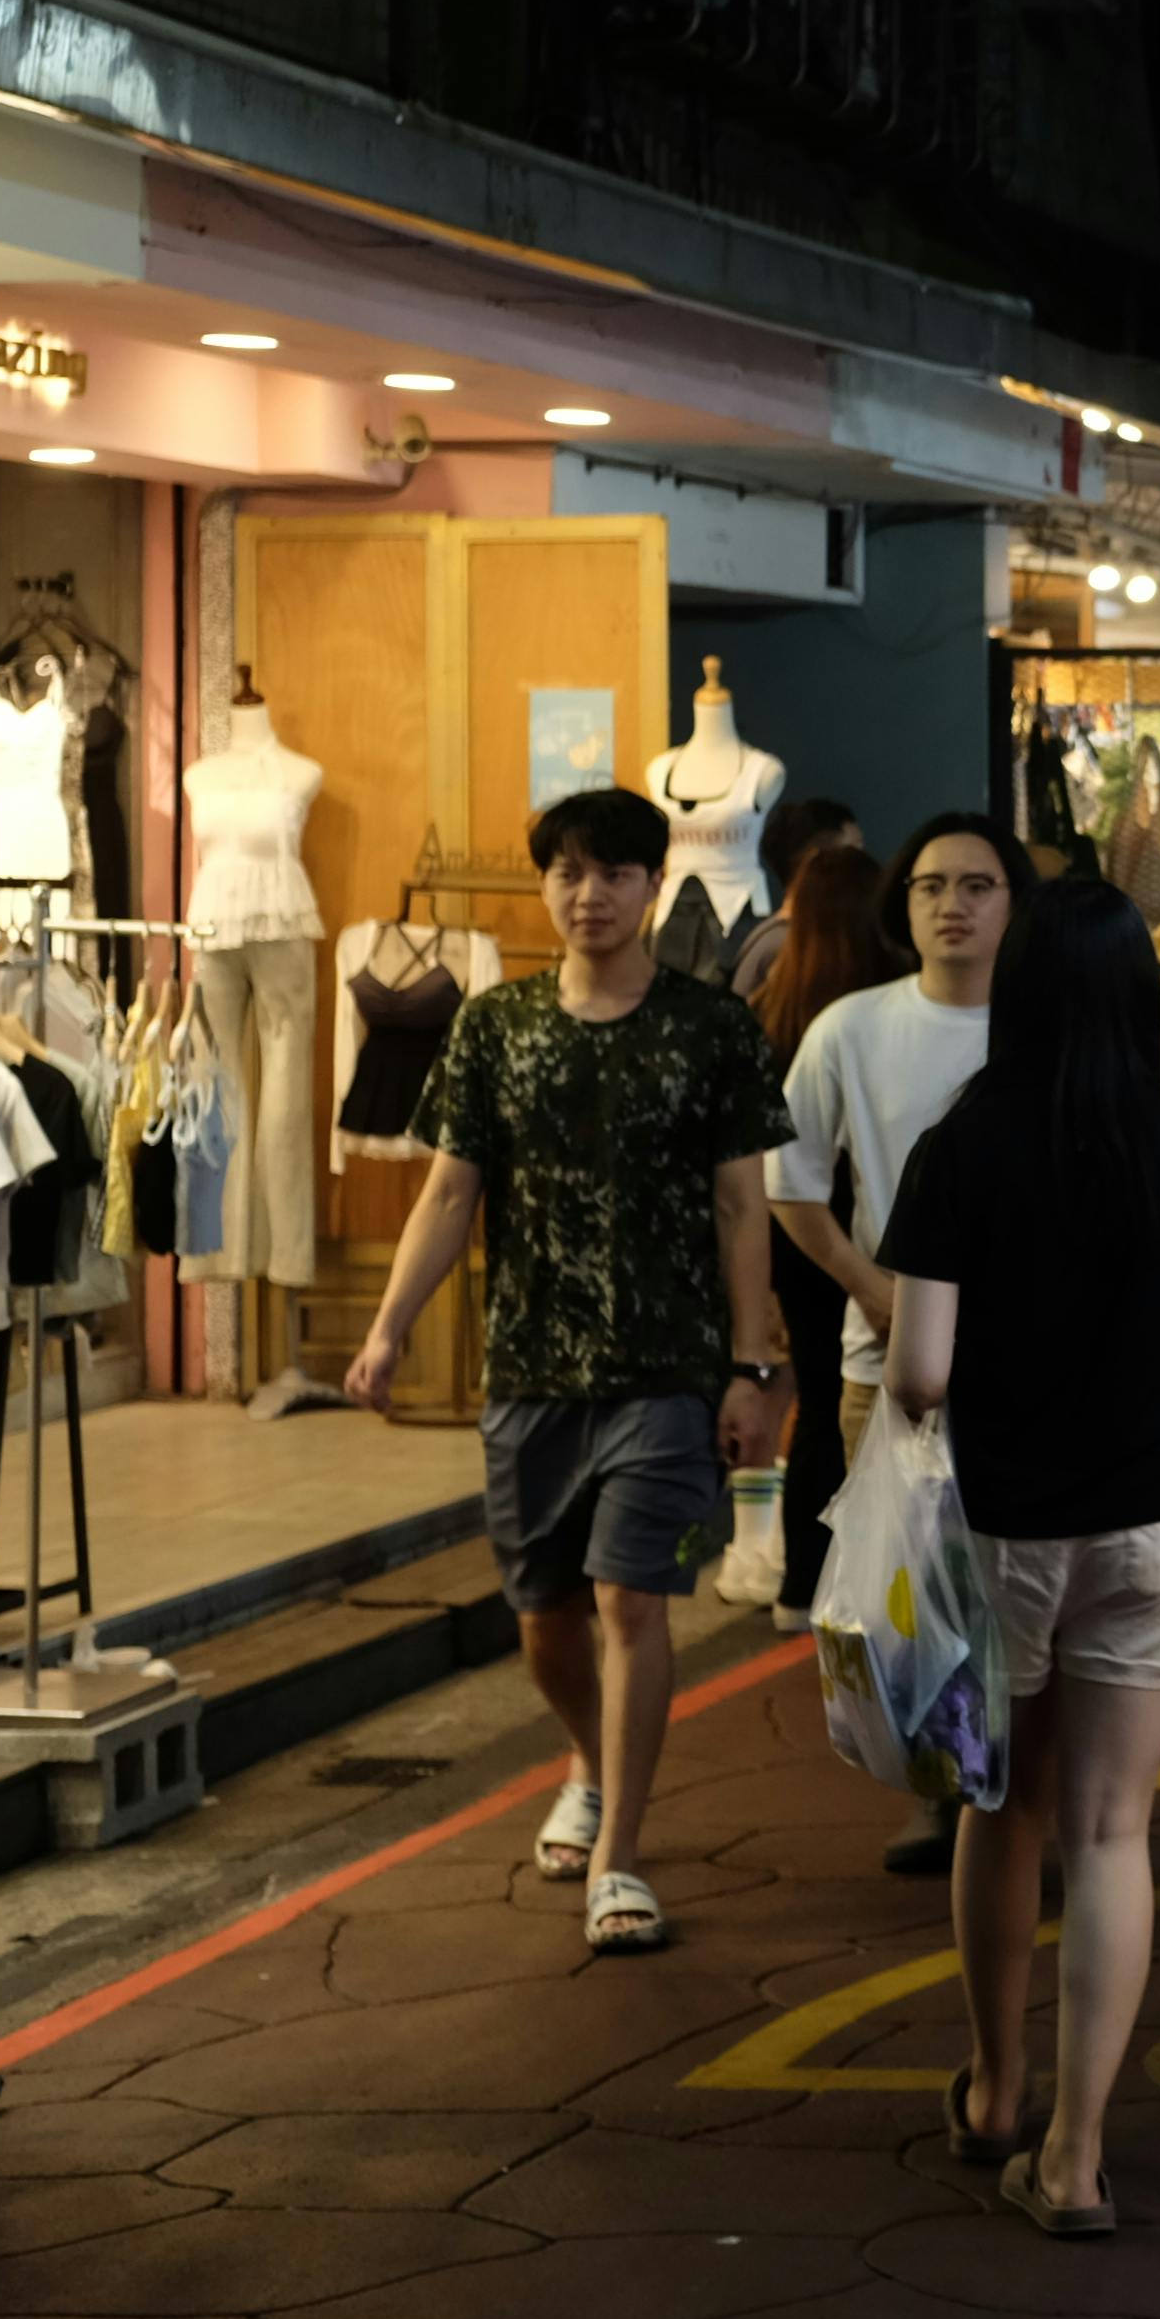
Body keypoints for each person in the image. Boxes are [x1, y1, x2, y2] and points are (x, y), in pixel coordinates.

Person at [346, 786, 796, 1958]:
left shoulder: (711, 1030)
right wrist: (390, 1329)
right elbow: (449, 1192)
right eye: (567, 873)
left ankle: (621, 1856)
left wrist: (752, 1366)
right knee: (543, 1614)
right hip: (532, 1363)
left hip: (670, 1364)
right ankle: (589, 1764)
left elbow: (743, 1203)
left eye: (613, 874)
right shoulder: (493, 1027)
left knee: (628, 1597)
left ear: (655, 888)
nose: (587, 895)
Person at [881, 872, 1160, 2237]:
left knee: (1007, 1809)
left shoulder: (959, 1146)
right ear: (1139, 998)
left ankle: (995, 2092)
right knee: (1113, 1831)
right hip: (1153, 1519)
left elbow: (920, 1373)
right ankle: (1079, 2156)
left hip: (1001, 1526)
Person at [775, 810, 1027, 1871]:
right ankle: (941, 1789)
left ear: (1014, 907)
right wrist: (873, 1288)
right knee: (910, 1592)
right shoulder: (851, 1029)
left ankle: (1013, 1788)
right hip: (887, 1365)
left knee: (1016, 1583)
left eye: (977, 885)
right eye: (930, 887)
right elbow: (789, 1186)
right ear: (902, 906)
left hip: (1028, 1365)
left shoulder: (1038, 1028)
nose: (952, 905)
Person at [745, 838, 902, 1621]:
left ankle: (800, 1582)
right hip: (852, 1225)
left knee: (812, 1393)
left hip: (790, 1226)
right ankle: (845, 1579)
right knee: (852, 1400)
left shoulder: (770, 1007)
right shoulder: (881, 1004)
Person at [727, 794, 865, 1005]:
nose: (863, 867)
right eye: (852, 853)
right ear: (814, 862)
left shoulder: (780, 936)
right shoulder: (786, 946)